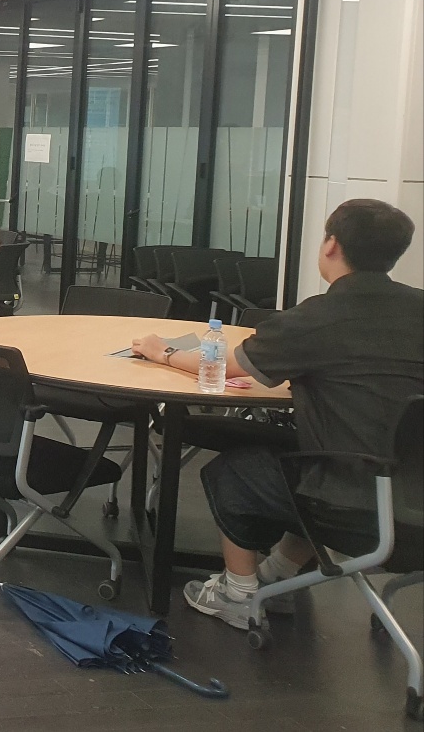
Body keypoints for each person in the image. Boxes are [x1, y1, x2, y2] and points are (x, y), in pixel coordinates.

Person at [127, 199, 423, 631]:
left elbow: (224, 365)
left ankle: (237, 595)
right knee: (300, 455)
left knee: (235, 469)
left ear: (331, 245)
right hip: (412, 499)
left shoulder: (318, 318)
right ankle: (278, 577)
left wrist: (162, 351)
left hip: (356, 505)